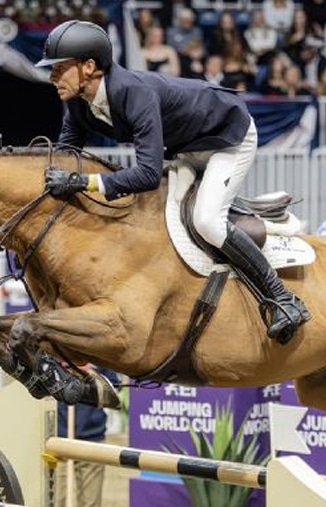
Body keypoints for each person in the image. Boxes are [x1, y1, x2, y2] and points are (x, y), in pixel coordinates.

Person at [36, 20, 311, 345]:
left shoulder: (133, 93)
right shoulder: (78, 103)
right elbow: (66, 153)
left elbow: (148, 175)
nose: (52, 77)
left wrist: (84, 182)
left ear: (89, 67)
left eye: (59, 68)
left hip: (227, 139)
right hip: (184, 148)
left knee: (207, 221)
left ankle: (282, 299)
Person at [54, 367, 120, 507]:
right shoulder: (52, 353)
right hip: (58, 442)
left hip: (92, 439)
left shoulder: (97, 353)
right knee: (54, 506)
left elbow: (114, 390)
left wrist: (89, 372)